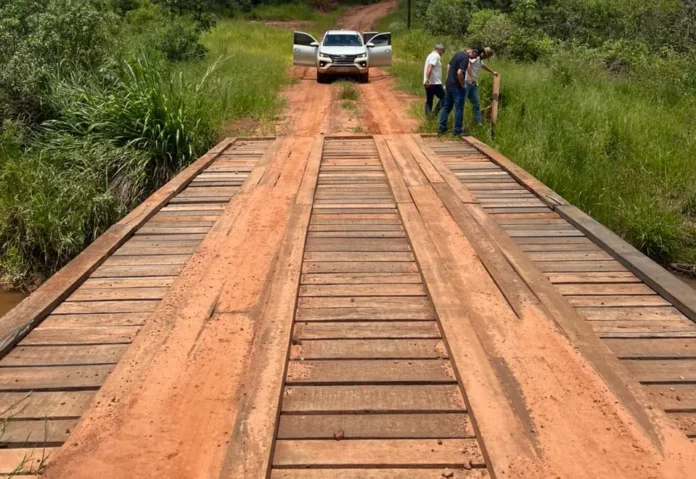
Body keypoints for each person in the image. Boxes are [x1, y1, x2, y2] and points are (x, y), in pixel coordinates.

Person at [438, 47, 480, 137]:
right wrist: (462, 85)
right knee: (459, 109)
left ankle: (441, 129)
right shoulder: (465, 58)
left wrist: (447, 80)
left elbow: (449, 65)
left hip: (449, 85)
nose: (473, 58)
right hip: (457, 87)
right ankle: (457, 131)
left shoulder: (458, 54)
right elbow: (460, 72)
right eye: (474, 56)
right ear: (472, 51)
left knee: (446, 108)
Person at [463, 46, 498, 126]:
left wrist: (492, 72)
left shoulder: (479, 60)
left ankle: (479, 122)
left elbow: (483, 66)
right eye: (485, 55)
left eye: (486, 56)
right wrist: (471, 77)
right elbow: (468, 64)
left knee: (476, 103)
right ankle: (459, 124)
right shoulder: (475, 57)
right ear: (482, 52)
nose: (485, 57)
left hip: (473, 84)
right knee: (462, 102)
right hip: (467, 82)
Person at [423, 44, 446, 116]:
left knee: (429, 100)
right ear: (440, 50)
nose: (443, 53)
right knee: (445, 98)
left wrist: (426, 80)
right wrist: (427, 80)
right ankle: (434, 114)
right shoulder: (435, 56)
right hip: (434, 83)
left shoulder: (430, 55)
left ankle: (428, 117)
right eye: (443, 51)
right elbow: (430, 67)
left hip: (429, 82)